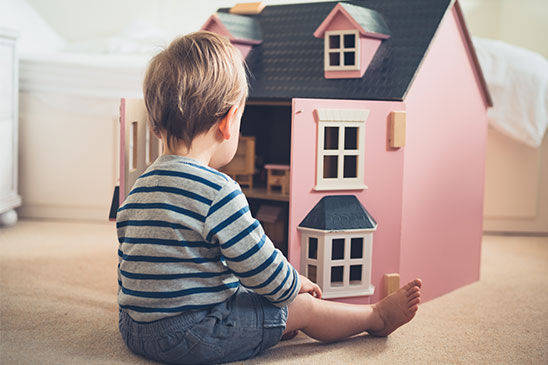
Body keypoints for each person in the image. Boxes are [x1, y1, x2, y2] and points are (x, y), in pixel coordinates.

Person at [116, 31, 422, 365]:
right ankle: (375, 318)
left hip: (135, 330)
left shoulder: (138, 188)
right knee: (300, 307)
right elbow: (260, 267)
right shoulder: (218, 191)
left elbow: (132, 267)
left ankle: (270, 324)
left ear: (157, 126)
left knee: (243, 292)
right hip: (191, 336)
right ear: (229, 122)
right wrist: (294, 286)